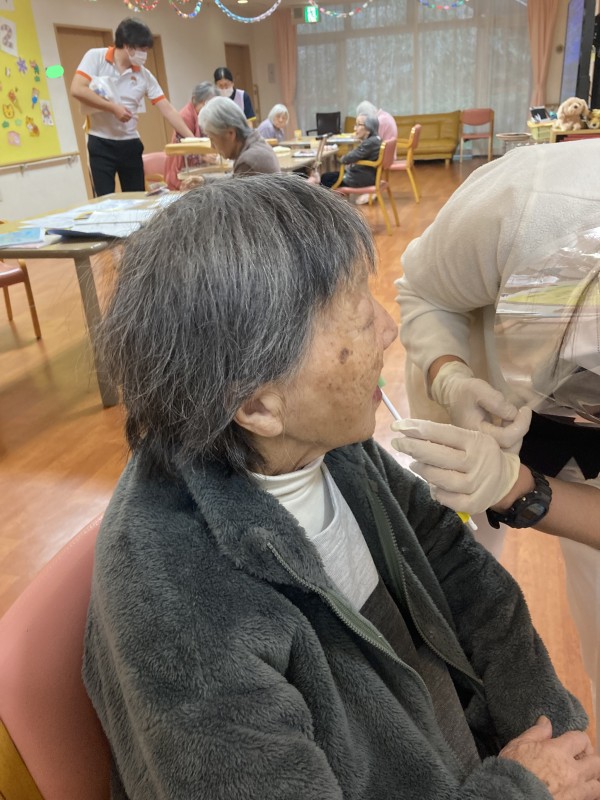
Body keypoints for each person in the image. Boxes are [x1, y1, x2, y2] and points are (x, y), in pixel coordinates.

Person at [83, 173, 600, 800]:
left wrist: (549, 730)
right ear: (258, 405)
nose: (387, 328)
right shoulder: (183, 617)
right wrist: (524, 788)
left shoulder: (323, 446)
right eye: (357, 315)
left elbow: (463, 573)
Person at [395, 138, 600, 744]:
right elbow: (423, 290)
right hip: (481, 404)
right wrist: (451, 378)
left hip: (533, 456)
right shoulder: (526, 203)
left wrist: (518, 489)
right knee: (452, 572)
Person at [70, 18, 195, 196]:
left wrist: (193, 140)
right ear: (128, 46)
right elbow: (77, 89)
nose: (145, 55)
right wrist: (113, 108)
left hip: (130, 143)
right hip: (100, 141)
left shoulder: (144, 74)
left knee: (137, 198)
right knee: (105, 200)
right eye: (142, 49)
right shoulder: (96, 57)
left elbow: (167, 109)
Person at [182, 96, 279, 188]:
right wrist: (205, 181)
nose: (212, 146)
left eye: (212, 139)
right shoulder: (255, 143)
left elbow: (233, 192)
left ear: (230, 133)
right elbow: (234, 179)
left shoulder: (249, 161)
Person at [164, 81, 217, 191]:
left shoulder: (201, 115)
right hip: (182, 169)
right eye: (205, 103)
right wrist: (203, 156)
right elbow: (185, 148)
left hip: (196, 167)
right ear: (195, 100)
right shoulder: (186, 116)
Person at [319, 114, 381, 189]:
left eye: (358, 125)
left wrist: (343, 158)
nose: (355, 129)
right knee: (329, 176)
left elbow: (347, 159)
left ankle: (327, 197)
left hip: (359, 178)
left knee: (325, 178)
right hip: (366, 175)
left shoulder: (369, 143)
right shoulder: (375, 140)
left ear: (368, 128)